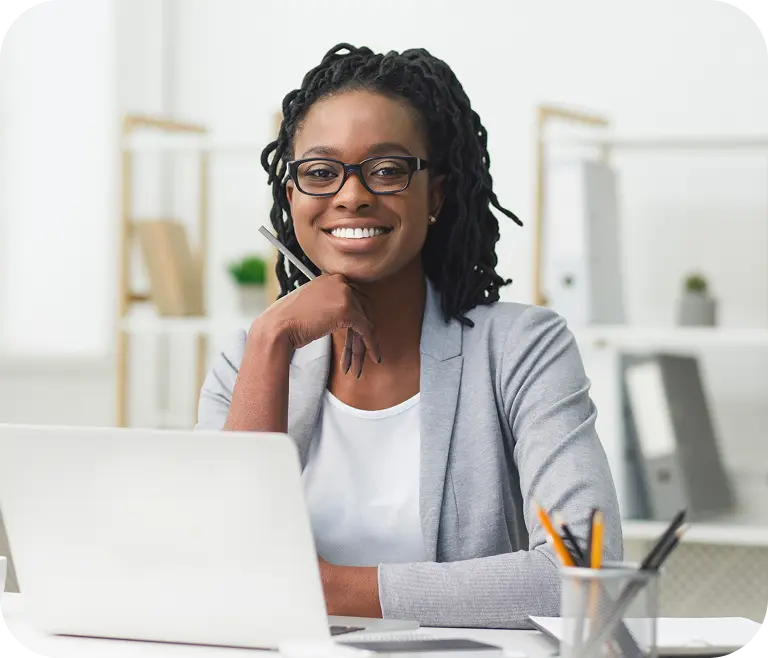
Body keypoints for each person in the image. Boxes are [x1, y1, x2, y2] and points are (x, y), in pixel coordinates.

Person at [196, 43, 622, 629]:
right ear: (292, 195)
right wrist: (274, 335)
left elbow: (585, 576)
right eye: (320, 172)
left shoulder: (522, 349)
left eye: (387, 169)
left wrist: (326, 587)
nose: (351, 194)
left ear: (436, 196)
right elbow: (213, 563)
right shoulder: (249, 358)